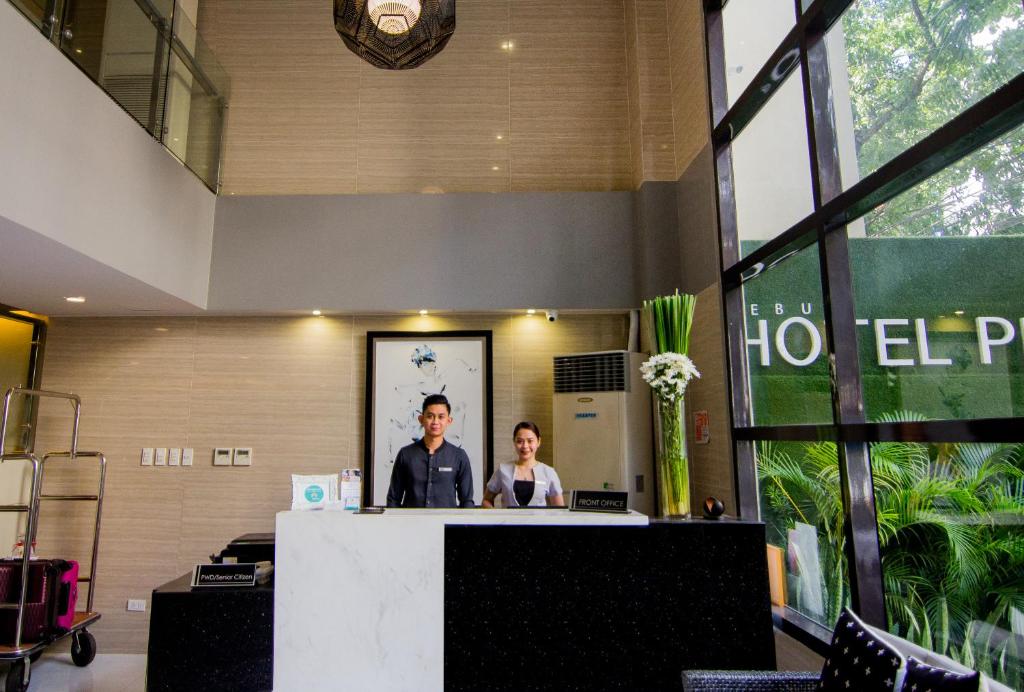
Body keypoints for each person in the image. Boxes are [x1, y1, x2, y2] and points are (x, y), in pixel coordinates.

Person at [386, 393, 474, 508]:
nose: (435, 422)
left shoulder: (459, 456)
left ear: (449, 420)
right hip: (411, 524)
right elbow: (393, 499)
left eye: (441, 417)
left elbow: (467, 501)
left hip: (445, 524)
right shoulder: (405, 454)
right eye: (430, 416)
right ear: (421, 419)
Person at [482, 421, 564, 508]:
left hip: (539, 521)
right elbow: (486, 500)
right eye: (520, 441)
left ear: (539, 441)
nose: (525, 446)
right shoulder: (503, 470)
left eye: (530, 441)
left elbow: (559, 508)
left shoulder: (548, 472)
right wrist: (496, 517)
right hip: (509, 521)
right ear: (514, 442)